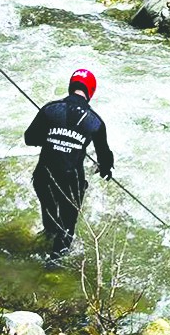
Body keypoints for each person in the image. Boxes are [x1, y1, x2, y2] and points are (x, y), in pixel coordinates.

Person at [25, 68, 113, 251]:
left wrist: (51, 137)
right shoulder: (95, 122)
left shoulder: (50, 110)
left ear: (70, 86)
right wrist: (105, 168)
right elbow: (105, 161)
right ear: (91, 91)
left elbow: (29, 138)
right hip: (70, 183)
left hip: (43, 178)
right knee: (66, 230)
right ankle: (52, 269)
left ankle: (46, 239)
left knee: (50, 221)